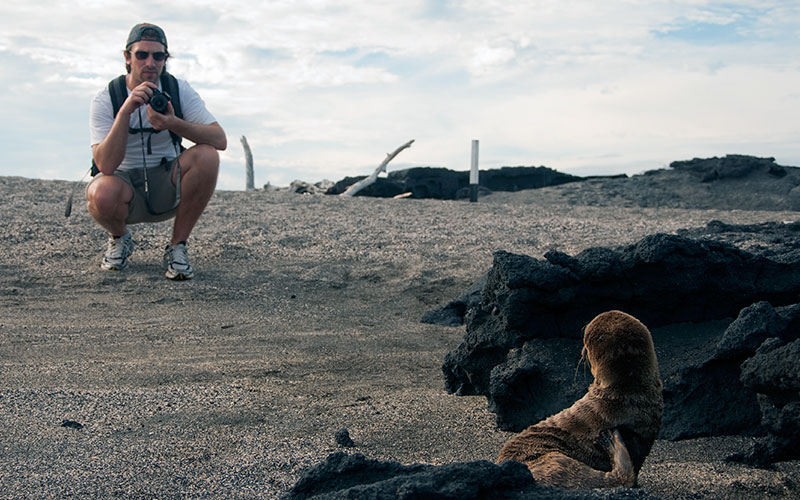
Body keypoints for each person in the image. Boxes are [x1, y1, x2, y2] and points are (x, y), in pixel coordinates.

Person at [87, 23, 226, 280]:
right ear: (127, 58)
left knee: (207, 155)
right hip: (123, 183)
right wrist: (126, 111)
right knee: (100, 192)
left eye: (158, 56)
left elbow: (219, 139)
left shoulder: (177, 90)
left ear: (165, 59)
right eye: (142, 55)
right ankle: (120, 238)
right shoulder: (107, 98)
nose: (150, 62)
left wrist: (174, 124)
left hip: (166, 182)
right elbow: (105, 165)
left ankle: (177, 247)